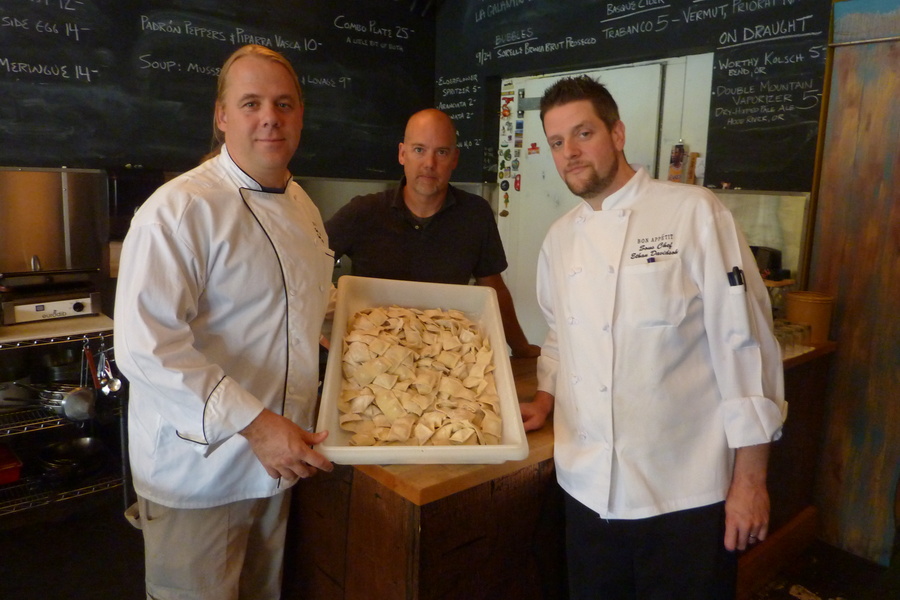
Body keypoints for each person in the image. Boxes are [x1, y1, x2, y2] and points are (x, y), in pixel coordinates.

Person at [520, 75, 787, 599]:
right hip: (588, 490)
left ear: (617, 133)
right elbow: (560, 333)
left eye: (583, 133)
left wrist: (751, 481)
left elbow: (745, 344)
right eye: (556, 142)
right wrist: (546, 395)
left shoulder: (694, 212)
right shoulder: (559, 239)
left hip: (685, 494)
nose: (570, 153)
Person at [114, 44, 335, 600]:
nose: (270, 117)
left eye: (284, 104)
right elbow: (146, 348)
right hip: (200, 471)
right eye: (252, 102)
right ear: (221, 116)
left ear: (300, 115)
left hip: (279, 465)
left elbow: (309, 305)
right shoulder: (180, 208)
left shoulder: (303, 205)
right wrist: (259, 426)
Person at [325, 108, 540, 358]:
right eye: (419, 150)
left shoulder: (475, 214)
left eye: (441, 152)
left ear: (455, 159)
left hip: (445, 358)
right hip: (374, 360)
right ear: (402, 154)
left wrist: (521, 348)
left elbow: (494, 289)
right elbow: (304, 268)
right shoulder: (363, 211)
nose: (429, 163)